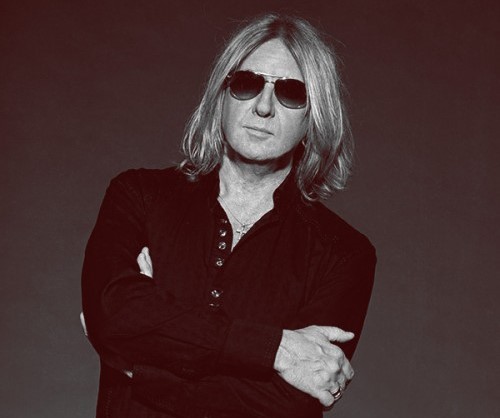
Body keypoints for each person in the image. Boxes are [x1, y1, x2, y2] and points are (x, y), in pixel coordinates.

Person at [81, 13, 376, 418]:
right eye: (247, 83)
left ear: (315, 115)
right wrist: (275, 348)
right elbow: (114, 313)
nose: (263, 107)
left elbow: (289, 403)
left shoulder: (344, 253)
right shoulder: (139, 196)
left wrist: (143, 367)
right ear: (221, 94)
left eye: (291, 93)